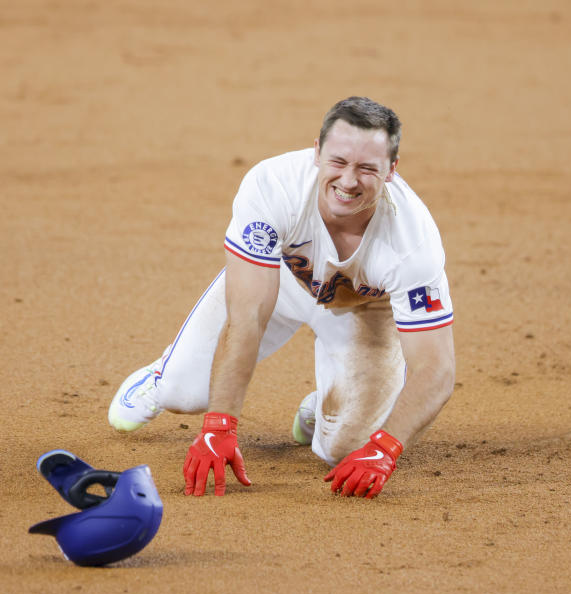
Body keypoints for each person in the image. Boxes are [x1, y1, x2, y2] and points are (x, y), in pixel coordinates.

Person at [108, 96, 455, 499]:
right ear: (317, 152)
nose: (348, 181)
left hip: (365, 311)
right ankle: (160, 377)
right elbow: (249, 316)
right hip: (279, 279)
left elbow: (436, 368)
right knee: (185, 395)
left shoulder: (413, 242)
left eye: (367, 168)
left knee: (344, 450)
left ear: (392, 171)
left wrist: (384, 449)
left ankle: (325, 403)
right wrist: (219, 425)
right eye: (338, 162)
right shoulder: (272, 186)